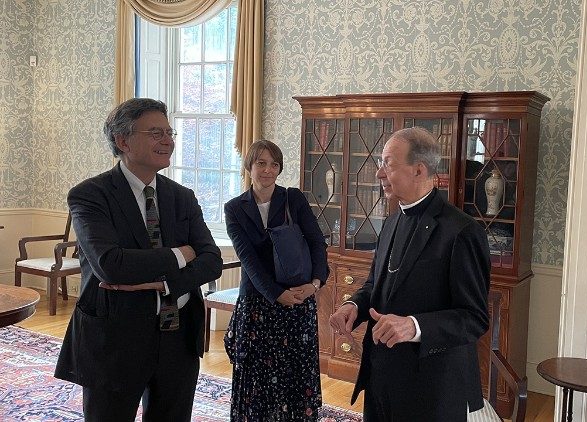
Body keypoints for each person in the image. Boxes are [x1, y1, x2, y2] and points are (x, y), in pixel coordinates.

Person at [54, 98, 223, 422]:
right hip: (115, 342)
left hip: (178, 341)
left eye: (170, 132)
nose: (168, 140)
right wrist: (180, 254)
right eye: (156, 132)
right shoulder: (90, 195)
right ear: (123, 141)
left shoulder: (182, 196)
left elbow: (212, 261)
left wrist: (165, 283)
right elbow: (112, 264)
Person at [329, 127, 491, 422]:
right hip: (380, 376)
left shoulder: (463, 232)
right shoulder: (391, 222)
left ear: (419, 170)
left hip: (431, 388)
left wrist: (413, 326)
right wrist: (353, 306)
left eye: (388, 163)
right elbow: (377, 286)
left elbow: (474, 318)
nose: (379, 173)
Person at [223, 139, 329, 421]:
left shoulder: (293, 199)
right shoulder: (234, 208)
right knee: (256, 376)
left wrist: (316, 283)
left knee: (295, 373)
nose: (268, 170)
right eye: (261, 163)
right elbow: (247, 258)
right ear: (249, 166)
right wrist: (274, 293)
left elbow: (318, 243)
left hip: (298, 298)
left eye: (274, 164)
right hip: (258, 301)